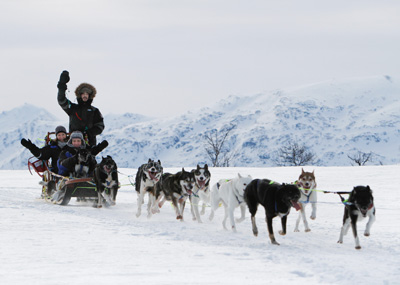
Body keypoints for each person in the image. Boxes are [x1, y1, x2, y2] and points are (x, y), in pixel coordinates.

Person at [57, 70, 104, 146]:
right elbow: (61, 101)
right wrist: (61, 86)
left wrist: (88, 133)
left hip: (89, 144)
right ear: (79, 95)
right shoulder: (73, 108)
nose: (85, 95)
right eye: (83, 93)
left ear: (90, 96)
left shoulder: (94, 111)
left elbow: (100, 126)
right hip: (73, 144)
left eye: (87, 93)